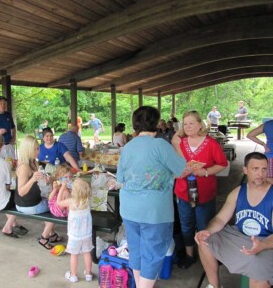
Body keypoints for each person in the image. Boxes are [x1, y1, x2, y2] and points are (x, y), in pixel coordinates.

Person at [117, 106, 188, 288]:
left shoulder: (127, 147)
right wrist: (177, 144)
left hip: (129, 209)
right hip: (155, 212)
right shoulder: (160, 145)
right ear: (156, 123)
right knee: (153, 254)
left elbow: (120, 179)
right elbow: (182, 169)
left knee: (137, 250)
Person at [195, 152, 273, 288]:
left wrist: (263, 245)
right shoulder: (238, 192)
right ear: (245, 170)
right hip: (240, 236)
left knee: (257, 277)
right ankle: (214, 285)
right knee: (204, 241)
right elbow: (220, 219)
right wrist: (207, 231)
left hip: (266, 241)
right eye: (255, 169)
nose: (260, 174)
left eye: (264, 169)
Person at [172, 111, 228, 269]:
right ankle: (190, 255)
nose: (188, 126)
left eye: (191, 123)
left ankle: (209, 255)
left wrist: (205, 172)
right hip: (183, 192)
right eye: (185, 123)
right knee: (186, 225)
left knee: (205, 225)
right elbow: (176, 162)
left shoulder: (211, 143)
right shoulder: (181, 143)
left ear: (199, 124)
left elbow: (222, 164)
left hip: (204, 194)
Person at [14, 136, 63, 249]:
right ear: (28, 150)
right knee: (56, 207)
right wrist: (32, 180)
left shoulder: (33, 163)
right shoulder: (24, 167)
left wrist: (48, 179)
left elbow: (40, 182)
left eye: (38, 148)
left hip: (33, 201)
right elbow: (21, 192)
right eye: (36, 149)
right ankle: (44, 237)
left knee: (51, 201)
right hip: (26, 205)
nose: (38, 151)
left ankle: (51, 233)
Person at [57, 178, 93, 283]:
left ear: (74, 191)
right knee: (87, 253)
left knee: (74, 255)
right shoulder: (87, 201)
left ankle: (73, 275)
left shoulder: (71, 202)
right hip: (86, 234)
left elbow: (58, 203)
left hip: (74, 236)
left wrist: (63, 188)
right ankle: (89, 274)